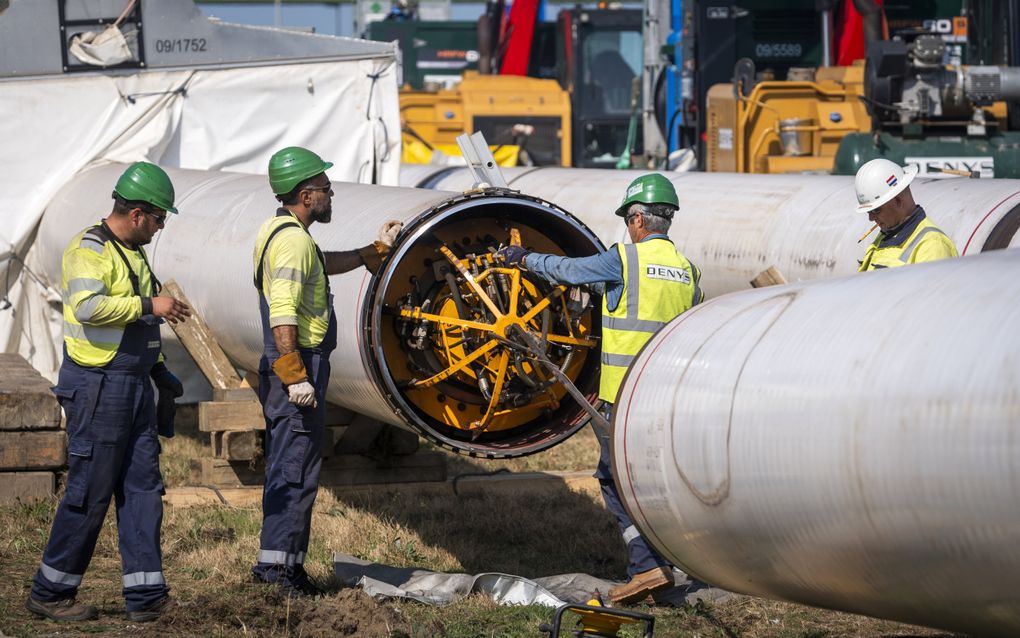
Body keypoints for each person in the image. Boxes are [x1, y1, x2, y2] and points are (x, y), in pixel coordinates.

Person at [497, 173, 703, 605]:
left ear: (638, 219)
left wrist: (523, 258)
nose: (628, 228)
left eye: (629, 221)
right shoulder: (689, 272)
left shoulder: (623, 261)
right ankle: (667, 564)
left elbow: (569, 271)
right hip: (666, 397)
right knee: (655, 483)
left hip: (623, 397)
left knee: (614, 480)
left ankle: (646, 569)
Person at [27, 162, 191, 623]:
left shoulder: (133, 252)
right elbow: (89, 306)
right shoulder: (88, 250)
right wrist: (149, 304)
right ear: (138, 213)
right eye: (159, 219)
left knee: (143, 491)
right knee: (90, 491)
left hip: (133, 385)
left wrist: (159, 370)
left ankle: (147, 598)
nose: (160, 228)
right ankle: (50, 591)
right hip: (99, 388)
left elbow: (141, 325)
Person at [251, 147, 402, 595]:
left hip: (299, 363)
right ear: (306, 195)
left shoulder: (285, 233)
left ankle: (284, 567)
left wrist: (370, 252)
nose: (331, 193)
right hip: (298, 364)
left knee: (294, 467)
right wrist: (295, 373)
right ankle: (278, 575)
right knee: (294, 471)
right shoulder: (293, 241)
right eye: (324, 188)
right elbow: (282, 313)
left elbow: (321, 265)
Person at [855, 158, 958, 271]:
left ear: (898, 201)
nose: (871, 218)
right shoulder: (888, 233)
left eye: (876, 211)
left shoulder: (932, 246)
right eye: (869, 212)